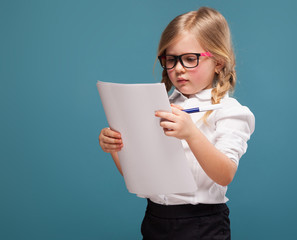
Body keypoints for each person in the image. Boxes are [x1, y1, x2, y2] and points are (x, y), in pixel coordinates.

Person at [99, 6, 255, 240]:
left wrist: (191, 134)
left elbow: (225, 175)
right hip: (156, 219)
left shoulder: (229, 111)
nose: (179, 68)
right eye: (171, 60)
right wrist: (117, 147)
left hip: (203, 223)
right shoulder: (160, 105)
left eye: (191, 59)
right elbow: (142, 178)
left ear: (219, 62)